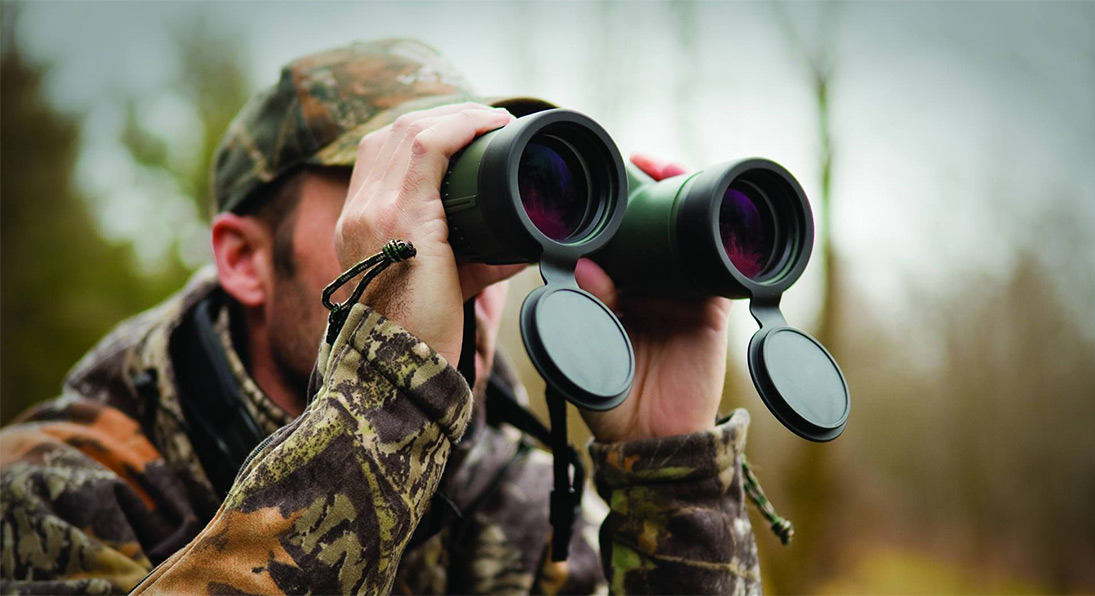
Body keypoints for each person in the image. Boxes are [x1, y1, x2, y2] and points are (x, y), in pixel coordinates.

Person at [0, 39, 762, 594]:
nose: (470, 268)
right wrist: (388, 397)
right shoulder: (52, 492)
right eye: (401, 194)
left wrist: (675, 481)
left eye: (474, 213)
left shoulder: (523, 505)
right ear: (244, 260)